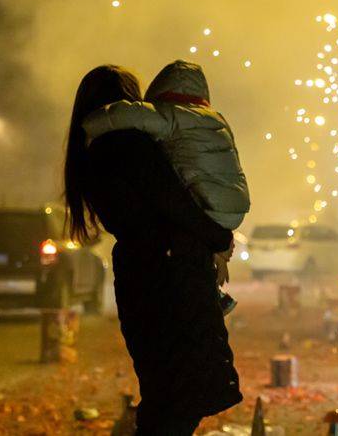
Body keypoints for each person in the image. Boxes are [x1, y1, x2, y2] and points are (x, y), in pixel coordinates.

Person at [64, 65, 242, 435]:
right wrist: (218, 237)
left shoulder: (93, 150)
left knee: (167, 390)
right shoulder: (128, 145)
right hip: (170, 276)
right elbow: (172, 201)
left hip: (145, 271)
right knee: (182, 393)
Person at [81, 60, 249, 311]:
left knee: (193, 238)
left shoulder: (170, 116)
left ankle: (211, 292)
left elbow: (123, 115)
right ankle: (212, 292)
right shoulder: (217, 119)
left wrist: (92, 123)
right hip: (234, 205)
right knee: (201, 250)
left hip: (202, 202)